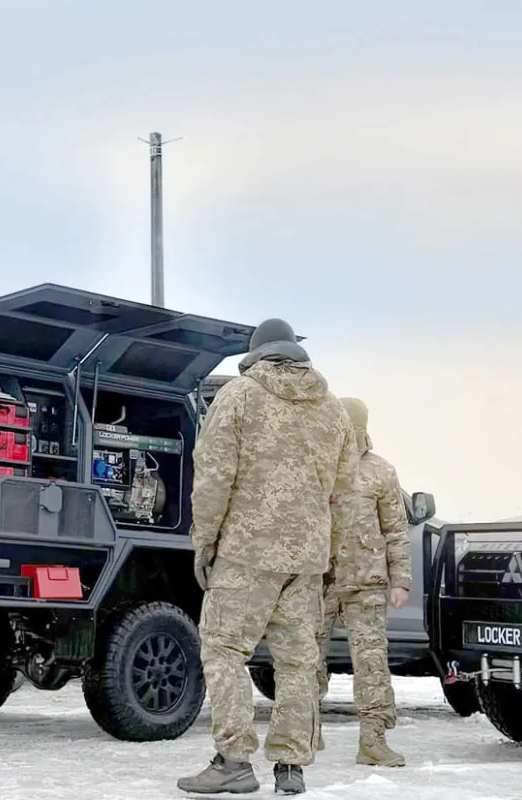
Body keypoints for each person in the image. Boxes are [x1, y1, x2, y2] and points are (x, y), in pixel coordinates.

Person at [178, 318, 358, 796]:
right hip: (307, 560)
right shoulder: (335, 411)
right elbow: (345, 492)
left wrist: (205, 541)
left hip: (247, 552)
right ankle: (292, 768)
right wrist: (329, 553)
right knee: (298, 663)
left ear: (256, 352)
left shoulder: (238, 396)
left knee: (223, 649)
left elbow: (213, 474)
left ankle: (234, 761)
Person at [316, 397, 410, 767]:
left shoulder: (380, 471)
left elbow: (396, 530)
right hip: (318, 580)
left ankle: (373, 741)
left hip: (366, 584)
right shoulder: (316, 464)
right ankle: (303, 733)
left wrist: (400, 580)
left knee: (371, 662)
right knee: (305, 661)